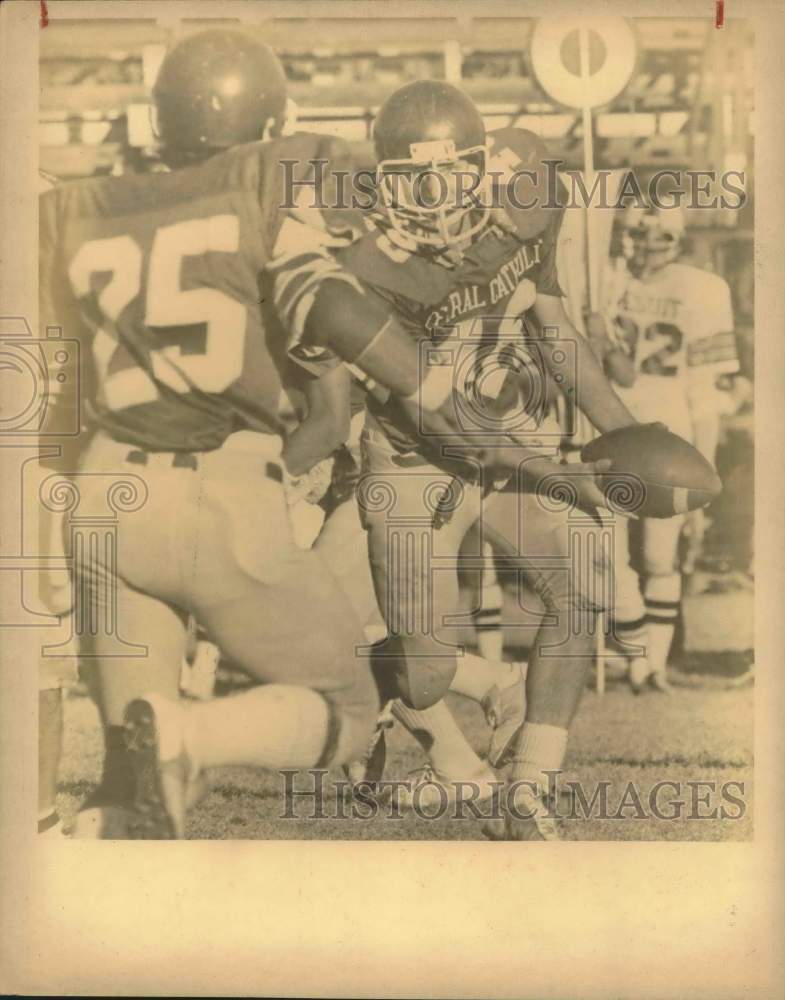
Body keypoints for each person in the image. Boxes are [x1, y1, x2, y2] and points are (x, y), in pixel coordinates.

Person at [40, 30, 484, 839]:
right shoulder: (266, 186)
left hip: (102, 499)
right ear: (273, 123)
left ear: (157, 123)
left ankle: (107, 843)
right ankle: (192, 737)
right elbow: (327, 304)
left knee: (128, 785)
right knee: (346, 707)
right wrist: (431, 384)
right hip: (218, 488)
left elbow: (49, 385)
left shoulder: (78, 209)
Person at [270, 80, 643, 839]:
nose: (434, 196)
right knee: (427, 671)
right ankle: (359, 693)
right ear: (382, 181)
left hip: (507, 446)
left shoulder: (525, 210)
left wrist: (627, 435)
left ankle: (527, 790)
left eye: (449, 174)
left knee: (579, 587)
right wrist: (563, 474)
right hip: (416, 462)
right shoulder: (368, 266)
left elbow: (556, 335)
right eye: (413, 178)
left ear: (482, 166)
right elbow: (436, 415)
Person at [588, 204, 739, 692]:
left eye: (661, 236)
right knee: (604, 552)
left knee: (659, 557)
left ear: (680, 238)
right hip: (608, 426)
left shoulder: (703, 290)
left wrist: (707, 466)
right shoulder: (602, 279)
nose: (648, 245)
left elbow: (705, 394)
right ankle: (636, 654)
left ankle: (651, 666)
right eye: (638, 233)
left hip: (670, 431)